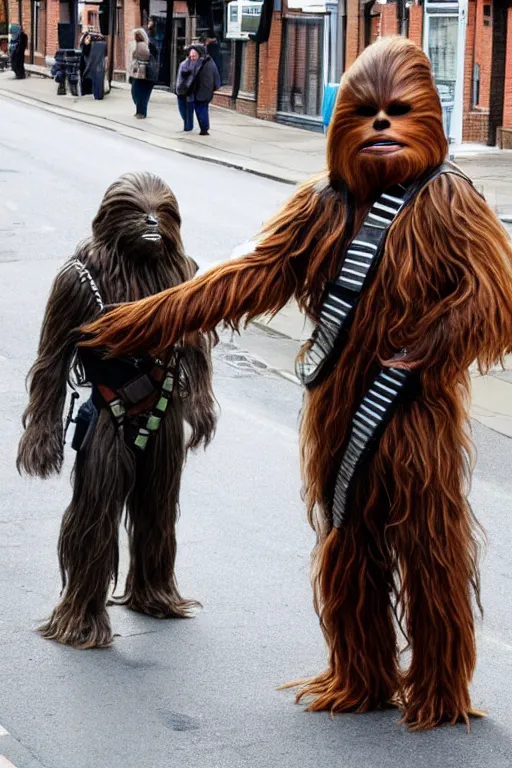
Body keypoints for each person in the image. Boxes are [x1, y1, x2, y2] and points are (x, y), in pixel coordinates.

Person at [82, 37, 512, 730]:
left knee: (432, 550)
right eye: (366, 113)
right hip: (341, 416)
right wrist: (150, 318)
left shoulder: (450, 201)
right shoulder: (320, 205)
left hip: (414, 413)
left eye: (399, 113)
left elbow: (494, 297)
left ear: (428, 119)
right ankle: (361, 672)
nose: (381, 126)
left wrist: (430, 346)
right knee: (347, 543)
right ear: (342, 125)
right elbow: (248, 276)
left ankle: (440, 687)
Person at [17, 172, 216, 649]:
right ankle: (81, 609)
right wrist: (42, 425)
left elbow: (194, 341)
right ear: (110, 222)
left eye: (160, 216)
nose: (151, 225)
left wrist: (201, 396)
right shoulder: (81, 278)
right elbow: (52, 362)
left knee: (159, 508)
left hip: (165, 406)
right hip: (109, 414)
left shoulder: (180, 270)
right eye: (138, 216)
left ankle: (154, 586)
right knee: (95, 511)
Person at [176, 45, 220, 136]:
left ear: (199, 54)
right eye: (191, 56)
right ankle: (195, 127)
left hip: (200, 91)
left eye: (194, 56)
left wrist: (214, 87)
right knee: (196, 110)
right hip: (193, 92)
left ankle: (200, 128)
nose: (192, 58)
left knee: (200, 110)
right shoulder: (187, 64)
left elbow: (215, 76)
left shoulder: (205, 63)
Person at [129, 28, 157, 119]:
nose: (134, 38)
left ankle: (141, 113)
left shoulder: (143, 45)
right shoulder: (141, 45)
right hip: (140, 74)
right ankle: (139, 111)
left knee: (141, 94)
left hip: (145, 74)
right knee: (138, 93)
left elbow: (144, 56)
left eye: (136, 36)